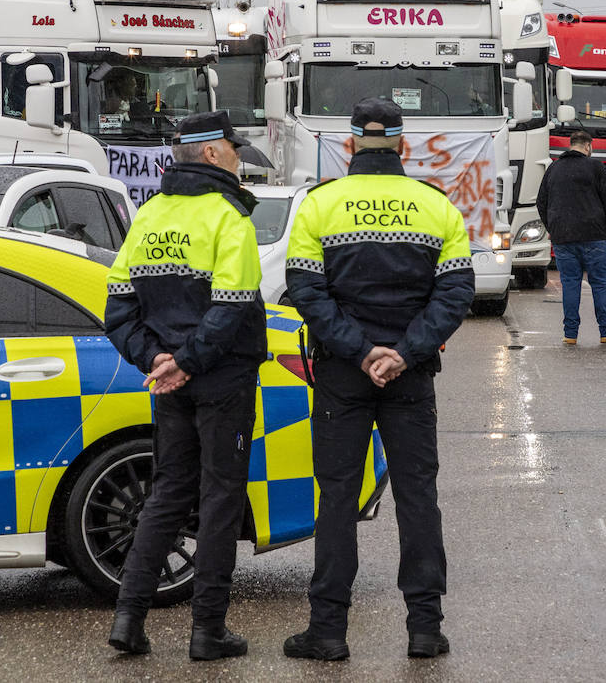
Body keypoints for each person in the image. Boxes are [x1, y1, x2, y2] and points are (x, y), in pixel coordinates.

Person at [283, 96, 475, 662]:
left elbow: (305, 291)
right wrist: (403, 353)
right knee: (418, 496)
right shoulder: (435, 206)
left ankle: (328, 631)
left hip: (343, 373)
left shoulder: (321, 204)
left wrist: (361, 352)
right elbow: (456, 294)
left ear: (349, 144)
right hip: (411, 378)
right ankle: (424, 628)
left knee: (338, 498)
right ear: (402, 144)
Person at [104, 110, 267, 662]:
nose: (240, 157)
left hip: (171, 382)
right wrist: (190, 362)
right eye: (235, 148)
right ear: (215, 154)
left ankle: (128, 619)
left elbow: (119, 309)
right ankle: (208, 631)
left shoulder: (148, 216)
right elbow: (231, 309)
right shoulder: (230, 218)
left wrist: (159, 360)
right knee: (221, 498)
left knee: (169, 492)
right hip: (221, 379)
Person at [537, 130, 606, 345]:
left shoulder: (554, 168)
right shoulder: (595, 167)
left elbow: (541, 202)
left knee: (570, 284)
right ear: (588, 146)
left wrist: (553, 227)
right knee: (600, 284)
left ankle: (570, 335)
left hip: (563, 237)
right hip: (594, 236)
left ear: (571, 145)